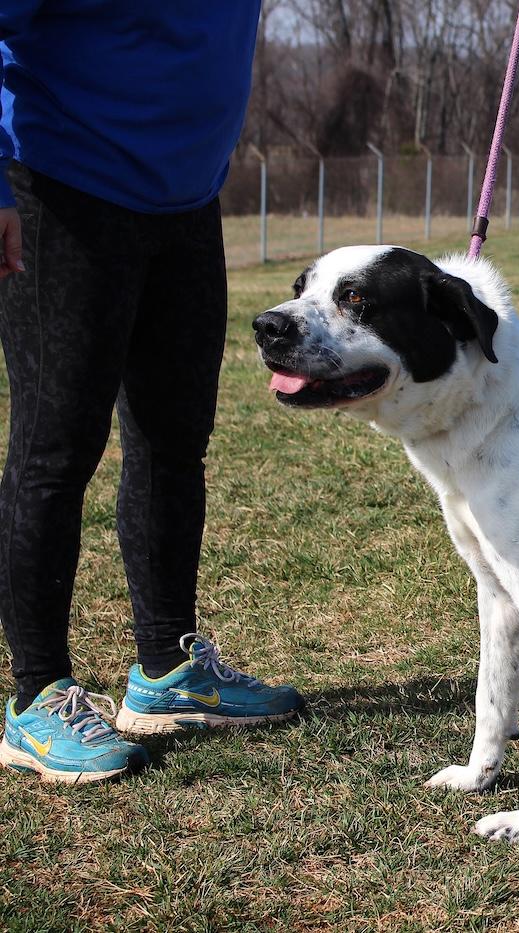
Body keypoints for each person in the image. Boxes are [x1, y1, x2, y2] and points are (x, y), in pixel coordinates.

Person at [0, 1, 303, 784]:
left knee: (175, 443)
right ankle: (36, 697)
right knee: (54, 452)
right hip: (62, 187)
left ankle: (169, 672)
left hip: (186, 201)